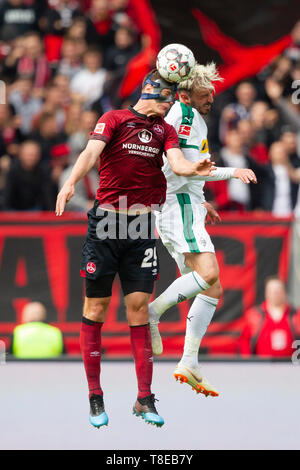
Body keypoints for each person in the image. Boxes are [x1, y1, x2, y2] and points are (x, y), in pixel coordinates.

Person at [55, 69, 215, 428]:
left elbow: (176, 164)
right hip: (108, 221)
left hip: (142, 224)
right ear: (153, 93)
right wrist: (69, 184)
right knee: (95, 308)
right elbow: (90, 152)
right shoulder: (114, 118)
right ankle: (95, 396)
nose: (170, 106)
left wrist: (196, 167)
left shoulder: (165, 130)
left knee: (139, 309)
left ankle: (144, 398)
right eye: (168, 99)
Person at [148, 62, 257, 397]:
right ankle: (153, 312)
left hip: (187, 204)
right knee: (209, 275)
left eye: (212, 90)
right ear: (185, 93)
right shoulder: (181, 116)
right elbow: (176, 167)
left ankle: (189, 361)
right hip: (176, 205)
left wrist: (202, 201)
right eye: (204, 91)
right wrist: (232, 171)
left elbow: (193, 168)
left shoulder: (194, 118)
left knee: (212, 289)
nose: (211, 95)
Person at [239, 276, 300, 357]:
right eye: (272, 291)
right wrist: (248, 362)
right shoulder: (255, 316)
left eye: (278, 290)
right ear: (266, 293)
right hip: (262, 366)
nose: (275, 294)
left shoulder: (295, 316)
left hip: (290, 365)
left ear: (284, 292)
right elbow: (244, 342)